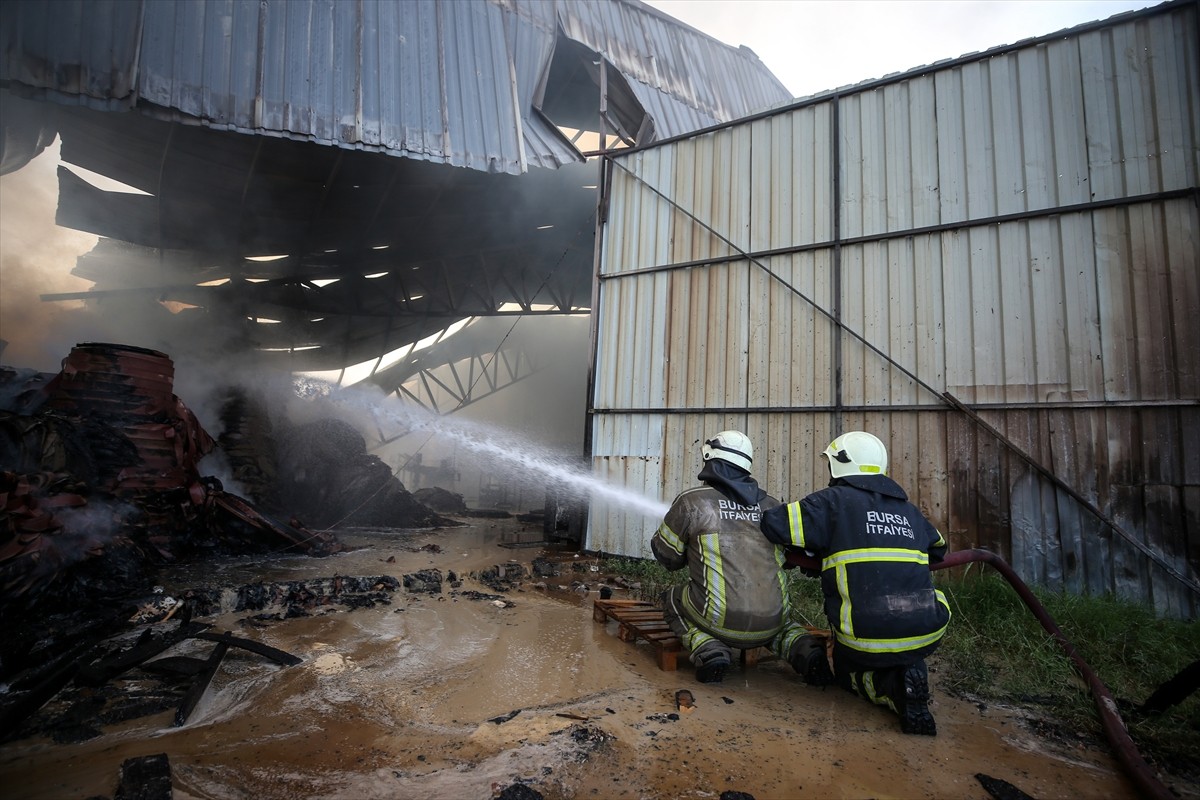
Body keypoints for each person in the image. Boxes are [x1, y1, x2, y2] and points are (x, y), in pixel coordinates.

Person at [759, 431, 950, 735]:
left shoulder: (831, 502)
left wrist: (823, 546)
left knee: (846, 673)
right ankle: (908, 671)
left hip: (865, 635)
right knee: (905, 643)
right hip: (926, 632)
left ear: (840, 464)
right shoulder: (910, 511)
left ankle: (892, 687)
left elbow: (775, 523)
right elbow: (938, 548)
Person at [651, 430, 821, 685]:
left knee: (672, 599)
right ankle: (804, 649)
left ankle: (709, 650)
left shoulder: (692, 502)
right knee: (779, 623)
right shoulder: (772, 506)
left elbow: (667, 557)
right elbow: (787, 558)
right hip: (771, 621)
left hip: (718, 621)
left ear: (710, 460)